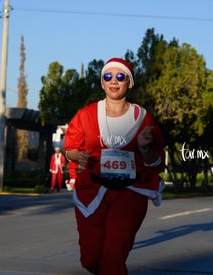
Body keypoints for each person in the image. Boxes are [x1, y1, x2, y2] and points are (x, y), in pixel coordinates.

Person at [63, 57, 165, 275]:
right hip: (93, 190)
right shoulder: (85, 114)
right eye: (108, 76)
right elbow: (70, 147)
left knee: (114, 252)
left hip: (131, 191)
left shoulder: (144, 119)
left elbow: (157, 164)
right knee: (91, 259)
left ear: (129, 82)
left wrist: (145, 149)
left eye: (121, 76)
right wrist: (77, 156)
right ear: (102, 82)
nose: (114, 81)